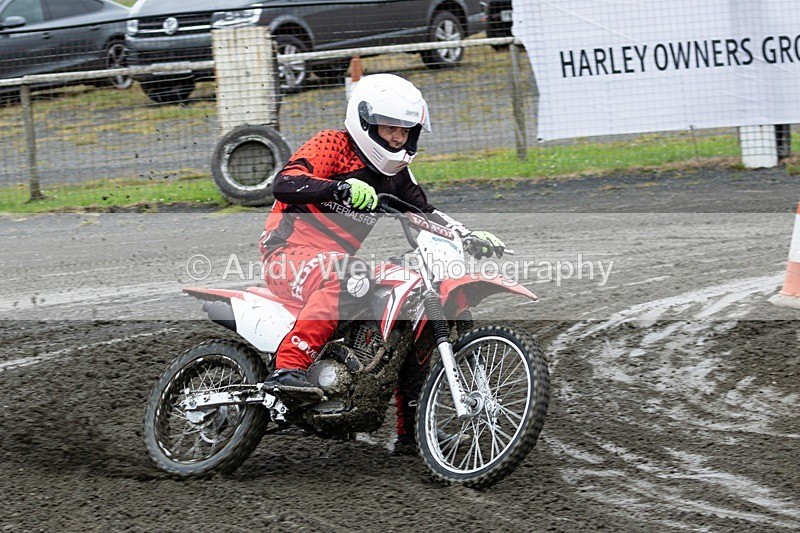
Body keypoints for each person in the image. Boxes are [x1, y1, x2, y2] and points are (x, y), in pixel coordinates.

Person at [259, 73, 505, 452]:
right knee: (347, 273)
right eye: (389, 128)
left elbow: (425, 213)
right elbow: (285, 183)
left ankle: (411, 432)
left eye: (405, 131)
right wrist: (336, 187)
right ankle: (287, 369)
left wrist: (467, 234)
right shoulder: (333, 144)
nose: (396, 138)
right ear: (367, 123)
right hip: (287, 253)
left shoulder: (396, 174)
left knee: (408, 310)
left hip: (334, 261)